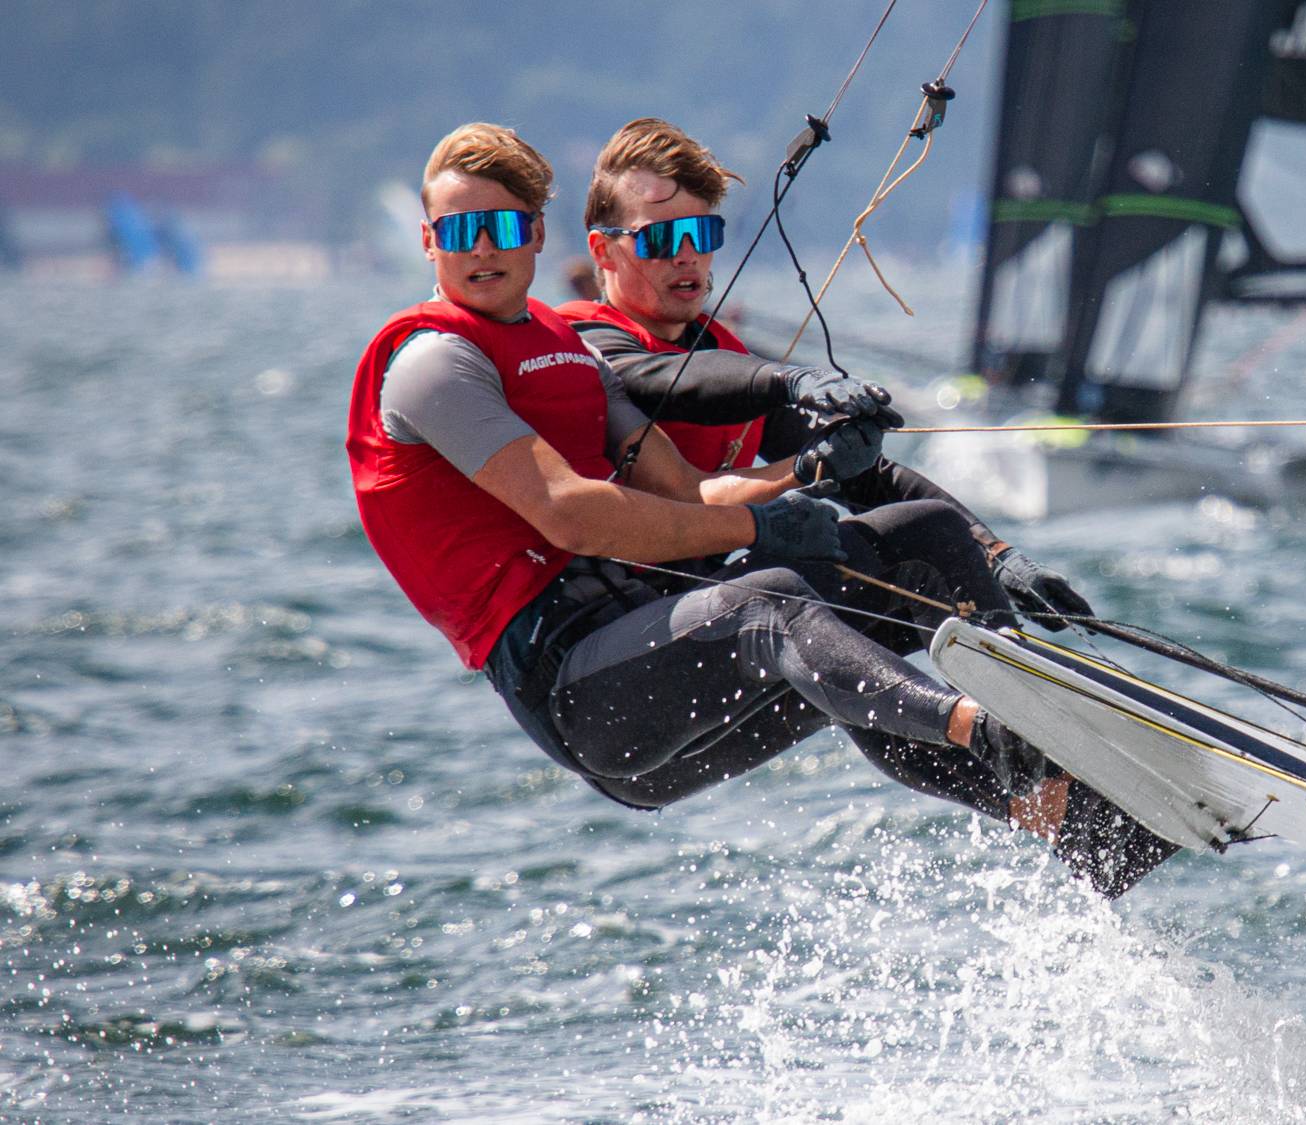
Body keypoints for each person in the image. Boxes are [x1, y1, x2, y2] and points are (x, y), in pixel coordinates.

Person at [344, 123, 1173, 896]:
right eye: (459, 233)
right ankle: (988, 730)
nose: (482, 249)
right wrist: (780, 438)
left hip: (687, 645)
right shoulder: (448, 360)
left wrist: (831, 482)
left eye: (502, 227)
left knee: (911, 539)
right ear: (429, 241)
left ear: (534, 234)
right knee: (771, 601)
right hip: (582, 694)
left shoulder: (563, 357)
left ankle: (1075, 793)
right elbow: (571, 512)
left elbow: (694, 495)